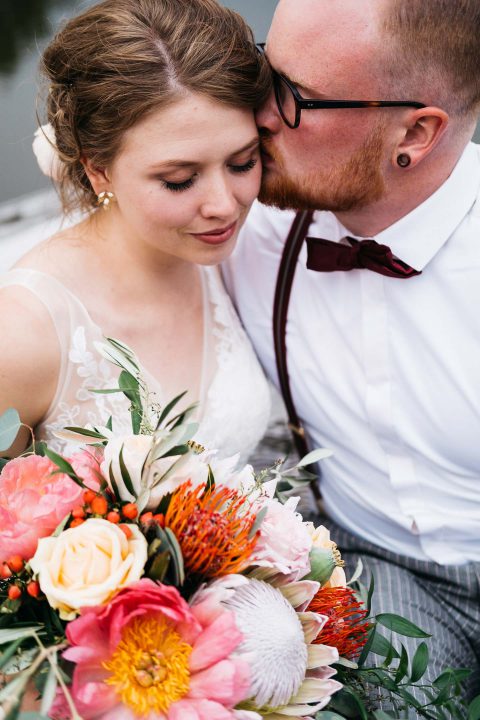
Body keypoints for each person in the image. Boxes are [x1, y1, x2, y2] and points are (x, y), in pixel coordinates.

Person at [224, 0, 480, 703]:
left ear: (415, 132)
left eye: (295, 98)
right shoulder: (238, 225)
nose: (260, 115)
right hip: (377, 566)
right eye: (262, 70)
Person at [0, 0, 272, 462]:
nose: (226, 206)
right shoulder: (22, 336)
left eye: (243, 162)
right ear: (97, 170)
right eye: (179, 180)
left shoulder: (237, 254)